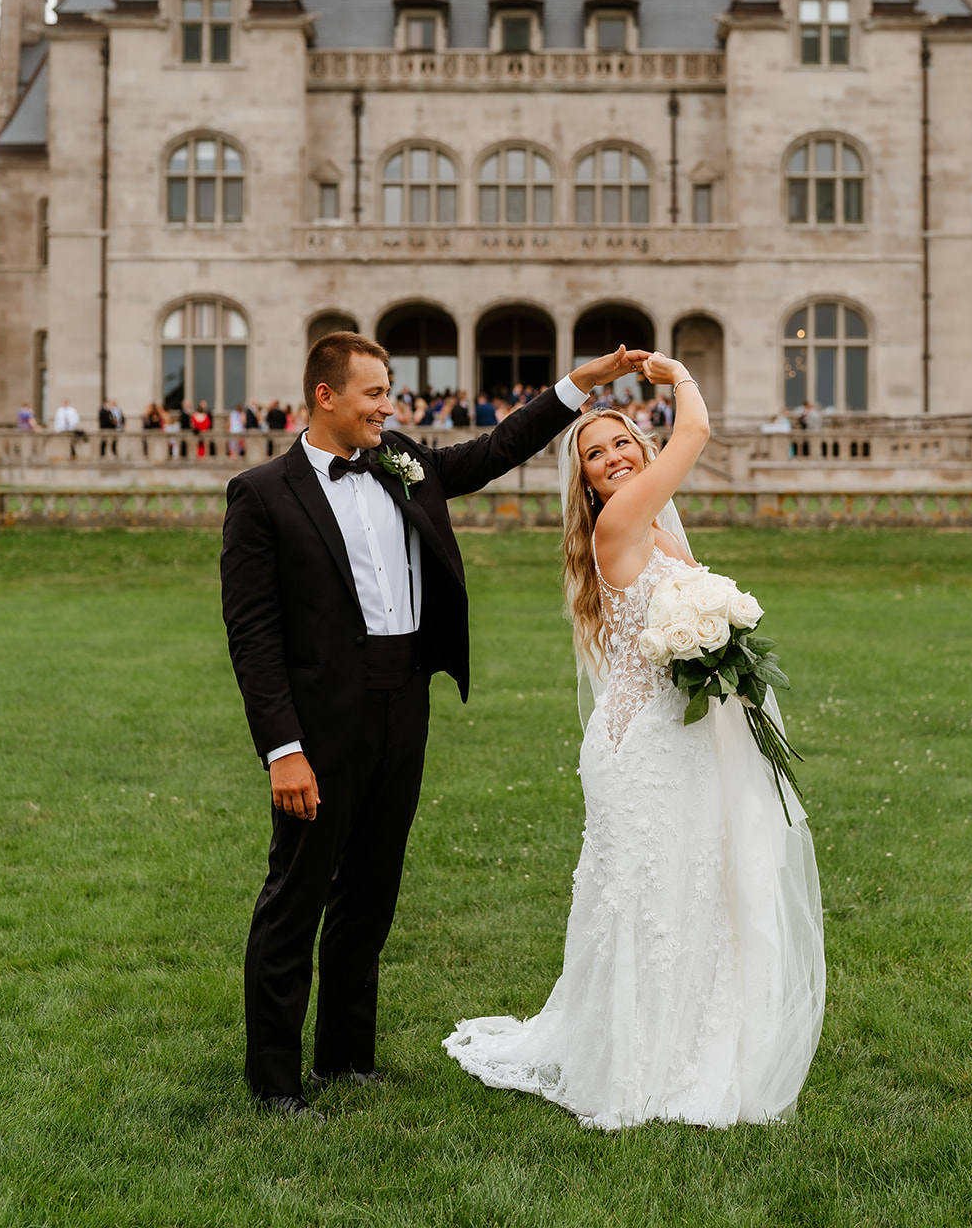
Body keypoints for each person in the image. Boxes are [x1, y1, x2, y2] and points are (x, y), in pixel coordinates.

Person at [220, 329, 648, 1123]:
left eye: (390, 393)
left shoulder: (401, 462)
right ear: (326, 397)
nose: (391, 405)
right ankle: (275, 1082)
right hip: (318, 724)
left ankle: (347, 1058)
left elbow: (493, 450)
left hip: (403, 702)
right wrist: (284, 749)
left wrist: (577, 386)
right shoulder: (262, 494)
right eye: (375, 393)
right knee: (297, 895)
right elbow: (253, 636)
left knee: (371, 893)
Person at [444, 352, 825, 1130]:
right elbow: (700, 431)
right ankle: (635, 1059)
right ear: (584, 481)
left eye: (622, 444)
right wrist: (677, 373)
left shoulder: (651, 528)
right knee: (645, 896)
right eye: (595, 453)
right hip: (642, 746)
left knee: (685, 890)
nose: (614, 456)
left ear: (638, 452)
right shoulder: (619, 523)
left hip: (671, 735)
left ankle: (686, 1037)